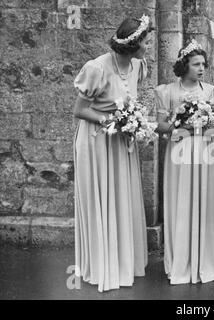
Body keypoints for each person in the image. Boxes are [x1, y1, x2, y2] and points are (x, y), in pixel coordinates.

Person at [73, 15, 153, 292]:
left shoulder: (138, 65)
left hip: (121, 142)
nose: (148, 46)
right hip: (97, 141)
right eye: (145, 41)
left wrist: (134, 121)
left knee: (121, 198)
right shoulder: (96, 68)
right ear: (131, 43)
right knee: (102, 199)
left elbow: (130, 101)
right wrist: (113, 122)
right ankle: (103, 264)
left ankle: (123, 262)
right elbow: (79, 110)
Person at [155, 39, 214, 285]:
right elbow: (160, 127)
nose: (202, 68)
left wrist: (207, 121)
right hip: (179, 152)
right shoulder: (168, 92)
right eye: (196, 64)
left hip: (204, 151)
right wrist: (179, 122)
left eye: (203, 64)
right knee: (180, 202)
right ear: (185, 66)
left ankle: (204, 259)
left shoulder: (212, 91)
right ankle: (181, 259)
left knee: (203, 202)